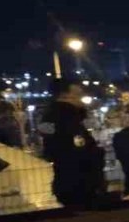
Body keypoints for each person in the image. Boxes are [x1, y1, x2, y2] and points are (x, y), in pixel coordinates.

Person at [39, 79, 102, 208]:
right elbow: (77, 144)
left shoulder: (53, 114)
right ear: (65, 95)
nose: (80, 96)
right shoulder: (67, 115)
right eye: (77, 94)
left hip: (68, 178)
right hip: (78, 179)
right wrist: (96, 154)